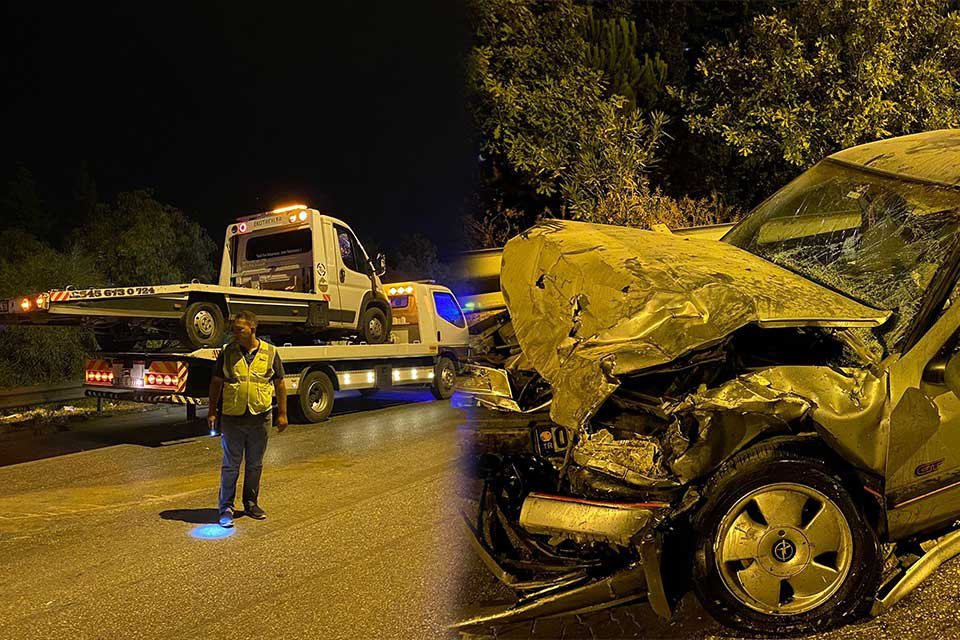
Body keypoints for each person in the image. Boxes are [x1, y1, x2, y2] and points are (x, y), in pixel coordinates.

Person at [208, 310, 288, 528]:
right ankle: (225, 508)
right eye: (234, 328)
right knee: (230, 466)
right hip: (233, 418)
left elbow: (280, 383)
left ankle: (251, 504)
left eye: (239, 328)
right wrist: (212, 411)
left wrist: (282, 413)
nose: (234, 332)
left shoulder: (270, 353)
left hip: (260, 417)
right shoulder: (228, 352)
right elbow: (216, 383)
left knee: (254, 465)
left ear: (252, 329)